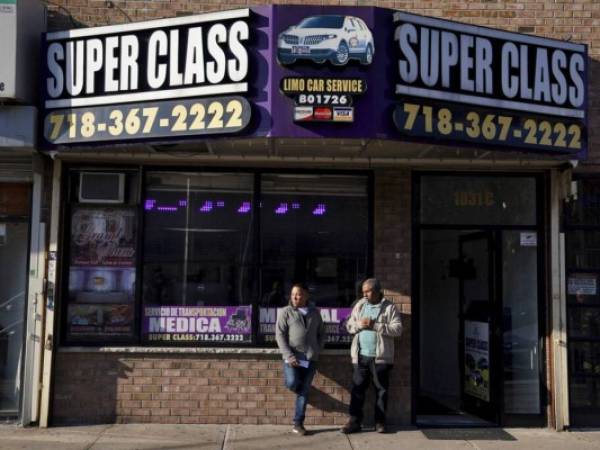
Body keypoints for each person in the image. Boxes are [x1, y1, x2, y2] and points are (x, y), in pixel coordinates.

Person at [341, 278, 403, 434]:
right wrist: (359, 325)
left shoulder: (389, 307)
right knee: (357, 390)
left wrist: (374, 325)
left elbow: (397, 330)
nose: (364, 295)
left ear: (376, 291)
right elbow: (349, 325)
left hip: (380, 358)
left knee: (381, 391)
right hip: (361, 356)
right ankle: (354, 422)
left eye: (367, 291)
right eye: (363, 292)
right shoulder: (360, 305)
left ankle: (380, 422)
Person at [275, 282, 325, 436]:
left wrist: (318, 348)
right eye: (293, 294)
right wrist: (289, 355)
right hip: (292, 358)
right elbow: (280, 335)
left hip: (310, 358)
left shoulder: (315, 312)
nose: (296, 297)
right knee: (292, 383)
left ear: (306, 295)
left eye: (299, 294)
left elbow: (322, 332)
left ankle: (298, 423)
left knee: (303, 392)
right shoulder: (285, 312)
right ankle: (300, 388)